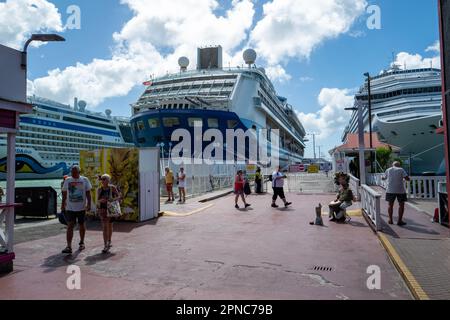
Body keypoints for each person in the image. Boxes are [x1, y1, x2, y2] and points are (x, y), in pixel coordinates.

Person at [61, 165, 92, 254]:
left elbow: (88, 193)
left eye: (75, 172)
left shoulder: (85, 180)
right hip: (70, 208)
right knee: (70, 225)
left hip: (81, 207)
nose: (73, 174)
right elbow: (64, 194)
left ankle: (82, 242)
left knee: (82, 224)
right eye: (72, 172)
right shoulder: (68, 180)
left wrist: (89, 204)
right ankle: (69, 246)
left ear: (79, 172)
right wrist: (63, 205)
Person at [97, 174, 121, 254]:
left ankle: (109, 240)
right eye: (102, 179)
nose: (102, 181)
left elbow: (119, 196)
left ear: (108, 180)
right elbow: (98, 199)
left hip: (111, 209)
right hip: (103, 210)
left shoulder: (112, 188)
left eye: (104, 179)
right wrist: (101, 201)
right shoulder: (99, 189)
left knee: (110, 225)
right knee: (104, 227)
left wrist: (112, 199)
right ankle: (105, 244)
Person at [382, 161, 410, 226]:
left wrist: (383, 178)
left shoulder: (388, 170)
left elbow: (384, 178)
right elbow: (407, 178)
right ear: (399, 165)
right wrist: (408, 178)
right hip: (400, 190)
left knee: (390, 205)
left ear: (392, 165)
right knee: (401, 205)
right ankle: (399, 221)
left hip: (390, 190)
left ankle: (390, 220)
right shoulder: (401, 169)